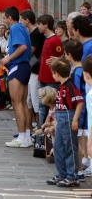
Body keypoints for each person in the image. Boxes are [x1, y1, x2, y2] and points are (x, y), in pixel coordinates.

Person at [46, 57, 83, 188]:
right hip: (61, 118)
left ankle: (72, 176)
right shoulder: (62, 86)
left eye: (52, 72)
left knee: (69, 147)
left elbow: (79, 101)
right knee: (58, 147)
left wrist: (75, 119)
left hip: (68, 117)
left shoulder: (69, 86)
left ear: (56, 73)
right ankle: (62, 173)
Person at [0, 6, 32, 148]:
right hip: (23, 65)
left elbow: (22, 47)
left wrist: (8, 58)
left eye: (4, 18)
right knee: (23, 102)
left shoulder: (15, 28)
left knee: (17, 102)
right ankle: (26, 135)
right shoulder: (22, 28)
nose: (3, 21)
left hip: (18, 65)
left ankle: (22, 137)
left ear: (10, 18)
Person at [64, 39, 87, 181]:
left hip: (78, 112)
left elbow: (77, 94)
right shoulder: (79, 69)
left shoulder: (77, 72)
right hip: (80, 110)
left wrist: (76, 116)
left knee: (76, 141)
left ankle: (78, 170)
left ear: (70, 55)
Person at [19, 9, 45, 130]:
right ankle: (29, 127)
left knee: (35, 101)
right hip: (31, 69)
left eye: (21, 20)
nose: (20, 22)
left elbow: (31, 51)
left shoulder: (36, 34)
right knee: (28, 100)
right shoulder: (30, 33)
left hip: (36, 69)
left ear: (27, 20)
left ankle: (39, 128)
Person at [37, 14, 64, 125]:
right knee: (41, 104)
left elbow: (61, 58)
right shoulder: (47, 39)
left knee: (49, 104)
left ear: (46, 25)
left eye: (39, 24)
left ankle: (45, 128)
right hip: (43, 76)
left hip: (51, 79)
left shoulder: (55, 40)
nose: (38, 26)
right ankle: (41, 127)